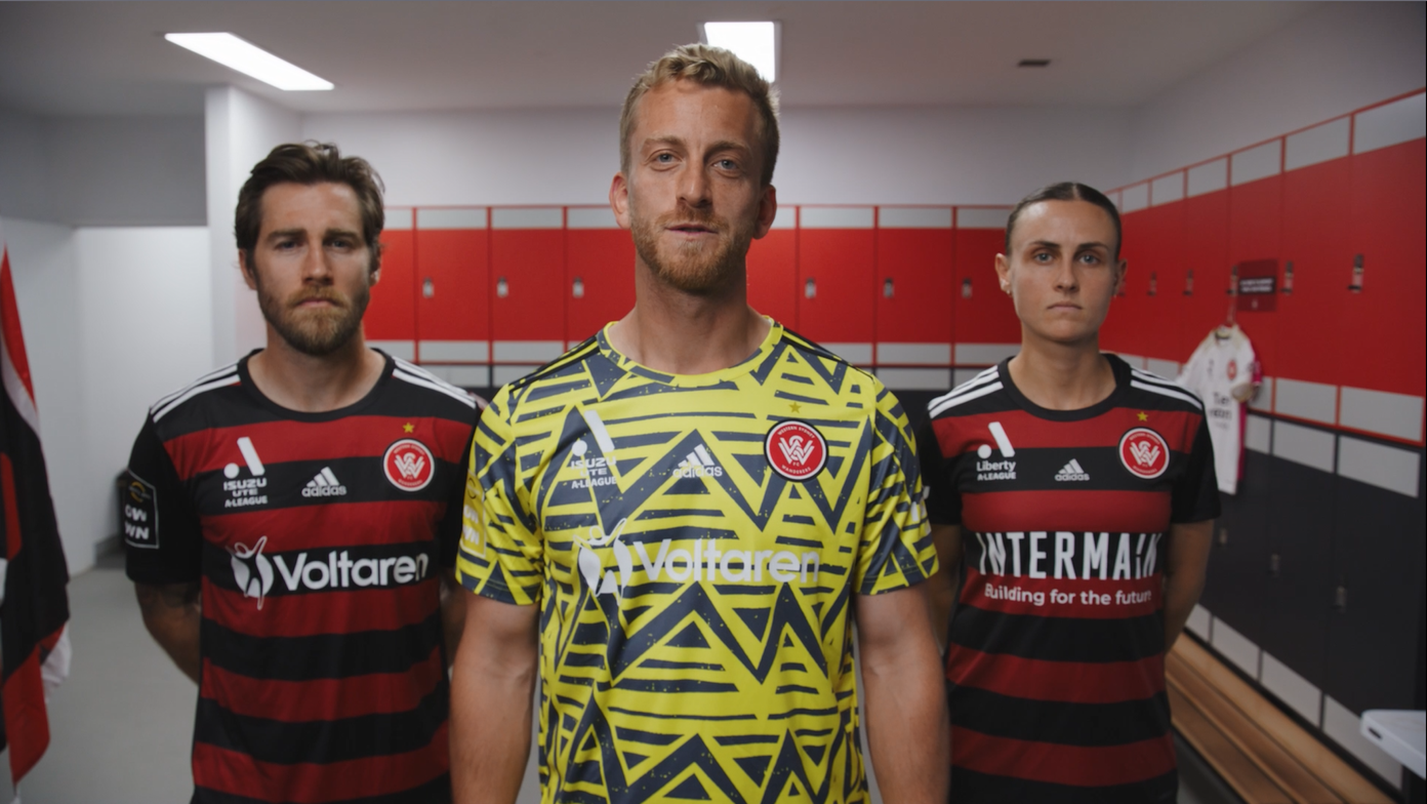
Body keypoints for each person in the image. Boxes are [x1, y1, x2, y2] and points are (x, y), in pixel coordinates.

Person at [449, 44, 949, 804]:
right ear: (623, 196)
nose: (692, 190)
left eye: (726, 164)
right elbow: (497, 662)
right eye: (664, 158)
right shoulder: (526, 420)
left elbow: (896, 655)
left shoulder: (858, 415)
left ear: (764, 206)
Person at [123, 142, 479, 804]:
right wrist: (252, 694)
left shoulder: (455, 426)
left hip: (411, 782)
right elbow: (163, 602)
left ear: (375, 260)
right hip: (242, 786)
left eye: (340, 242)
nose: (316, 268)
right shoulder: (179, 433)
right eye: (288, 244)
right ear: (247, 265)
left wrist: (409, 679)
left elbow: (469, 592)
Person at [918, 182, 1218, 802]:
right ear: (1005, 272)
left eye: (1090, 257)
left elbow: (1183, 579)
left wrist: (1122, 661)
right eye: (1043, 255)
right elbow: (937, 583)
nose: (1066, 280)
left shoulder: (1178, 420)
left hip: (1129, 760)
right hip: (985, 757)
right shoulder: (952, 422)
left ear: (1119, 276)